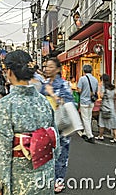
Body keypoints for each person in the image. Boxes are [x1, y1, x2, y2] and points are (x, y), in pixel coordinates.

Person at [0, 50, 59, 195]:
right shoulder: (44, 101)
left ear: (10, 72)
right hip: (45, 172)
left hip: (19, 176)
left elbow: (2, 150)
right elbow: (54, 140)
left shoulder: (7, 104)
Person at [41, 57, 73, 193]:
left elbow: (70, 104)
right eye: (46, 66)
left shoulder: (64, 85)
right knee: (46, 152)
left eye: (50, 67)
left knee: (61, 152)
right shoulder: (44, 83)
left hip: (61, 123)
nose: (47, 69)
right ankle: (48, 178)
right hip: (47, 123)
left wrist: (53, 94)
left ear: (58, 69)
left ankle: (59, 179)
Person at [95, 73, 116, 143]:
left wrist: (100, 93)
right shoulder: (112, 87)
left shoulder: (103, 87)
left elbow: (102, 96)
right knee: (113, 122)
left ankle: (100, 135)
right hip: (111, 106)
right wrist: (112, 98)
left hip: (104, 107)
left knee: (102, 122)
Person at [77, 64, 99, 144]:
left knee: (85, 118)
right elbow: (96, 91)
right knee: (89, 118)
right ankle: (85, 133)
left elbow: (79, 90)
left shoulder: (82, 79)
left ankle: (90, 135)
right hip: (91, 101)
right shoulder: (95, 80)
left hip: (84, 101)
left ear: (84, 71)